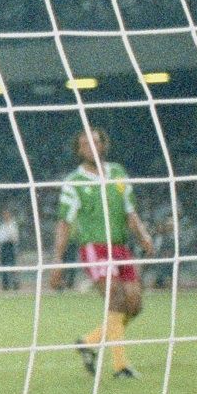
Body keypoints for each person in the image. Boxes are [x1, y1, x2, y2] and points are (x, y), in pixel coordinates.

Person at [49, 128, 156, 380]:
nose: (91, 147)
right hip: (94, 247)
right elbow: (64, 223)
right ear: (78, 150)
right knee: (116, 298)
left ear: (103, 145)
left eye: (96, 142)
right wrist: (58, 261)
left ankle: (89, 342)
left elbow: (130, 213)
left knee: (134, 304)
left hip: (121, 247)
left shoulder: (118, 173)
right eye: (85, 144)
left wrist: (144, 237)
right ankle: (120, 366)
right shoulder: (73, 182)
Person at [0, 207, 21, 291]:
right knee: (3, 265)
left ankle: (15, 283)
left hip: (10, 245)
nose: (5, 216)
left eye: (7, 214)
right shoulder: (2, 226)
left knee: (12, 265)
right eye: (4, 214)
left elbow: (15, 237)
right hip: (3, 246)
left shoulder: (13, 225)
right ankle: (5, 284)